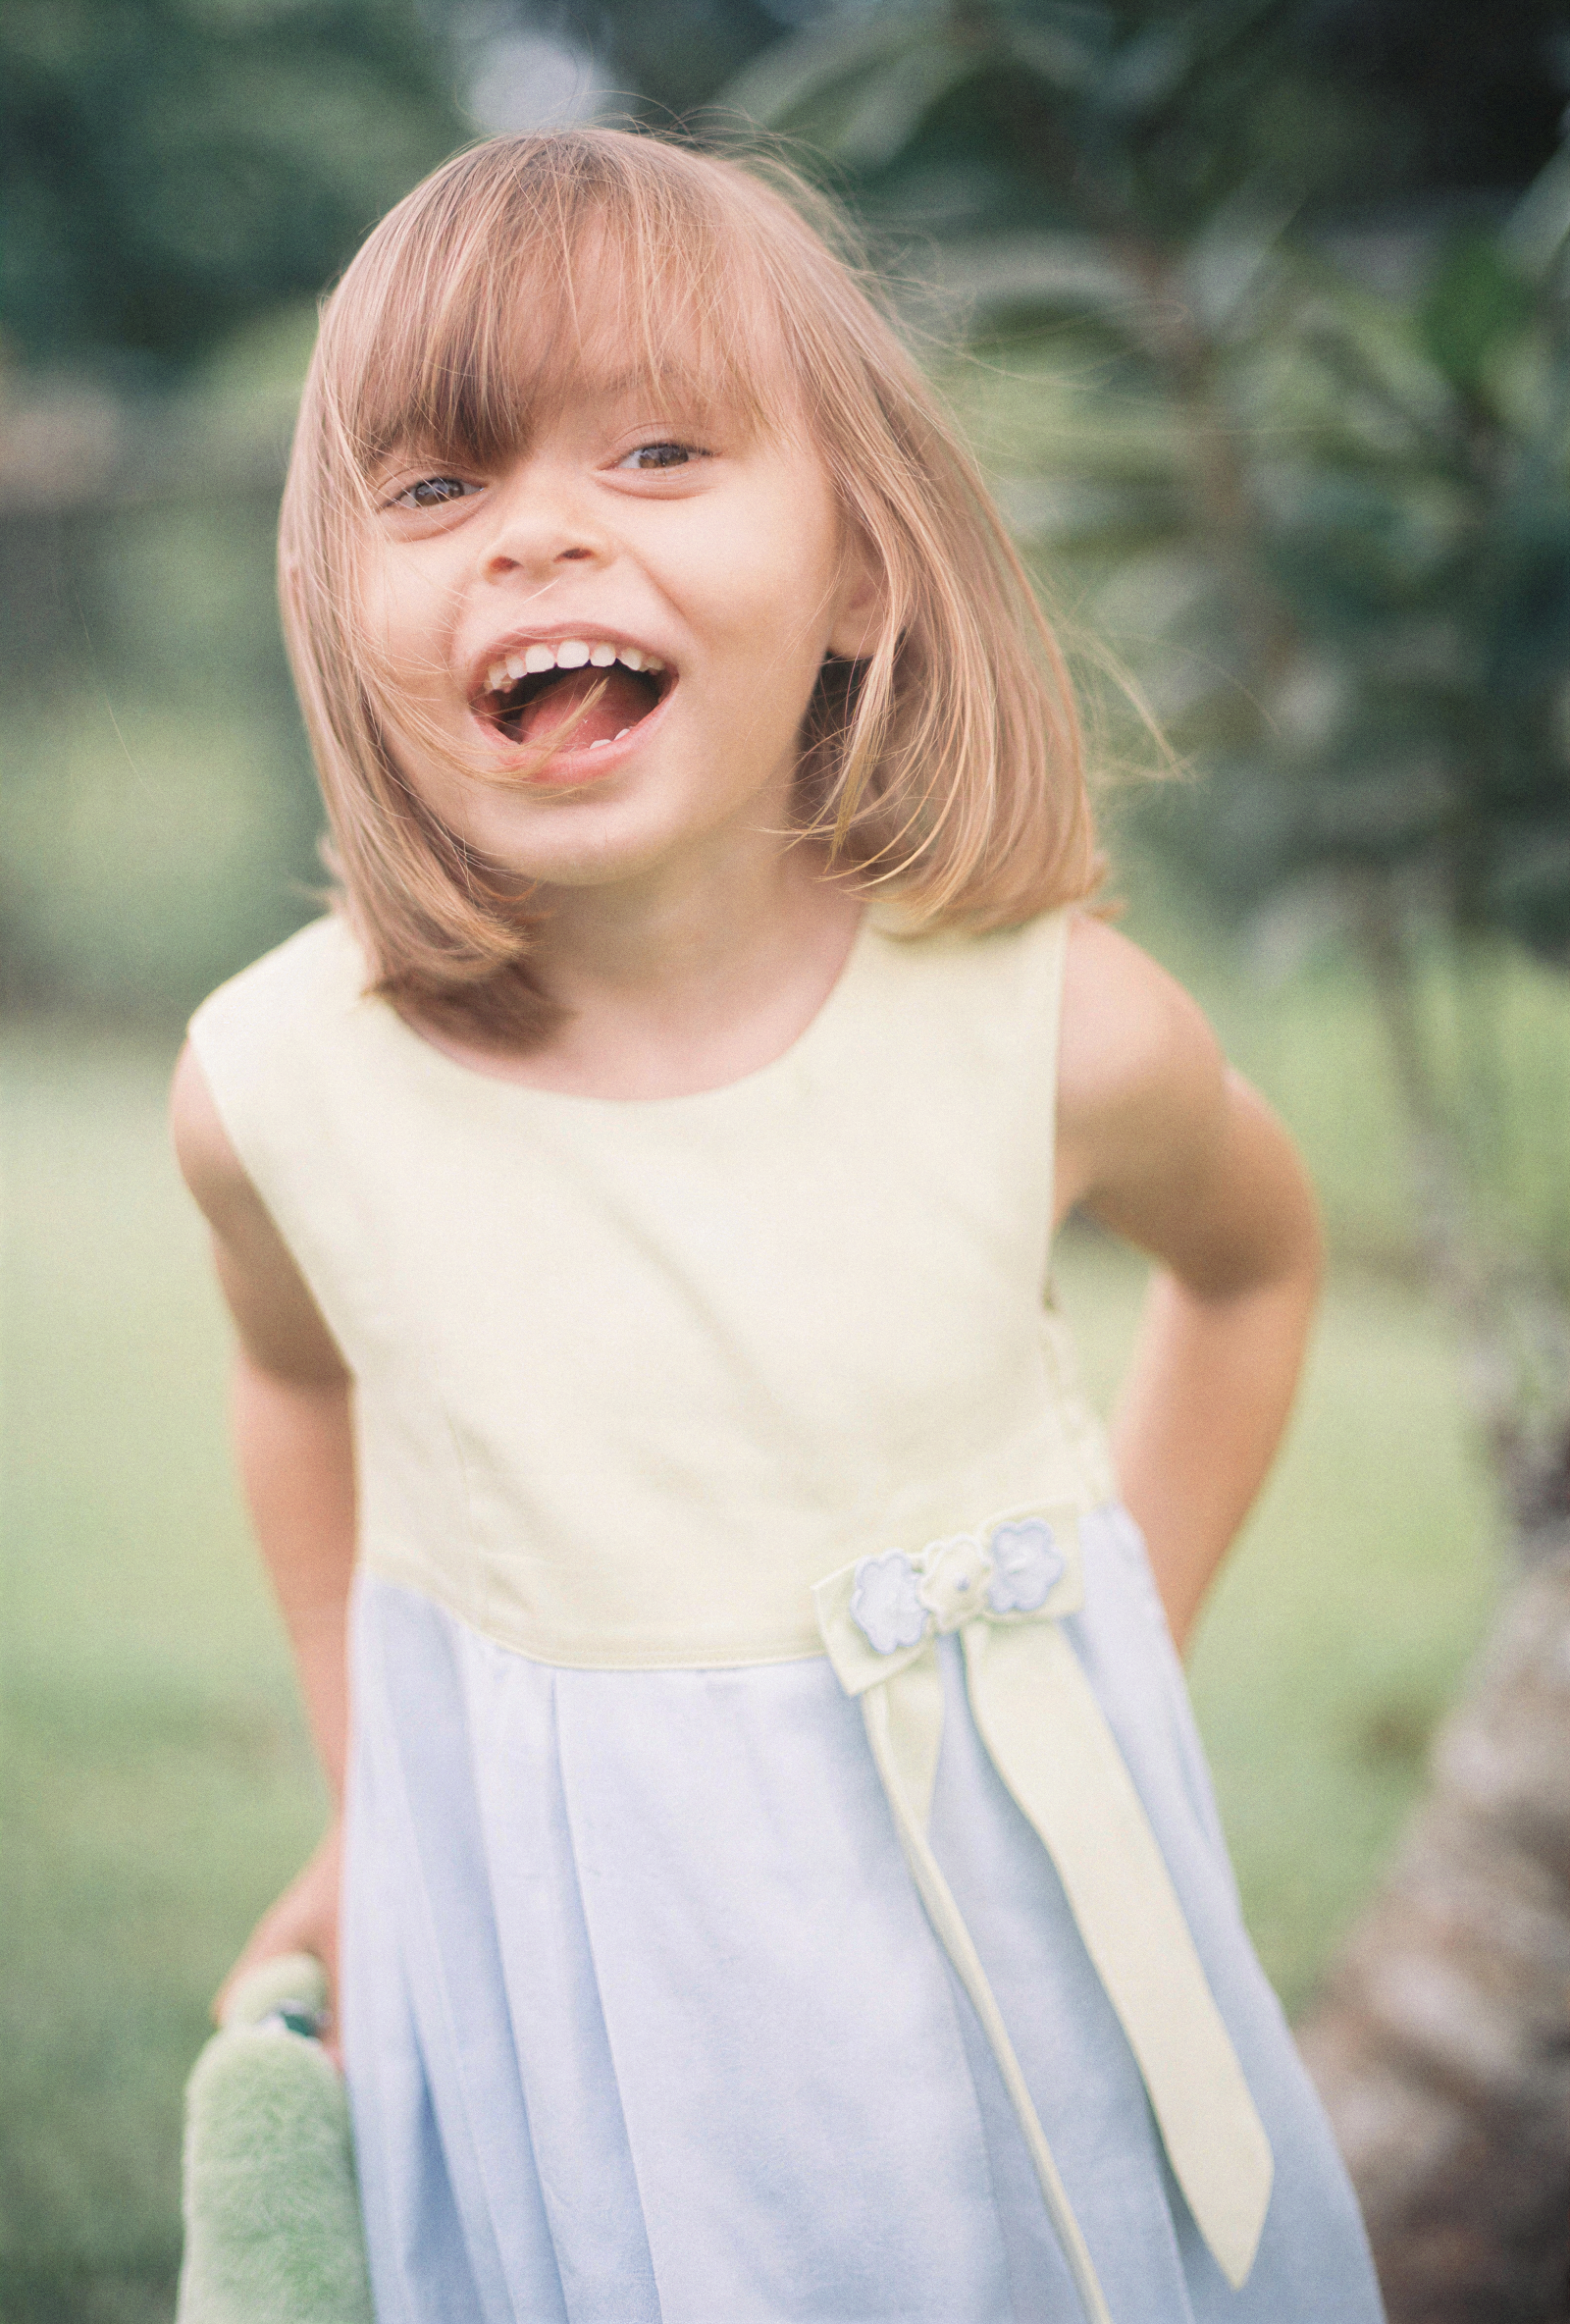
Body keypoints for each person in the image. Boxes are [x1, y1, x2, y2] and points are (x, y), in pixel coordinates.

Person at [171, 127, 1385, 2324]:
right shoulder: (279, 1094)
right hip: (575, 2001)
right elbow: (287, 1372)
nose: (538, 525)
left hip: (1003, 1963)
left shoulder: (1051, 1031)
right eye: (435, 488)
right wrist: (376, 1797)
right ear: (337, 611)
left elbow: (1252, 1262)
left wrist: (1126, 1641)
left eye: (655, 448)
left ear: (857, 570)